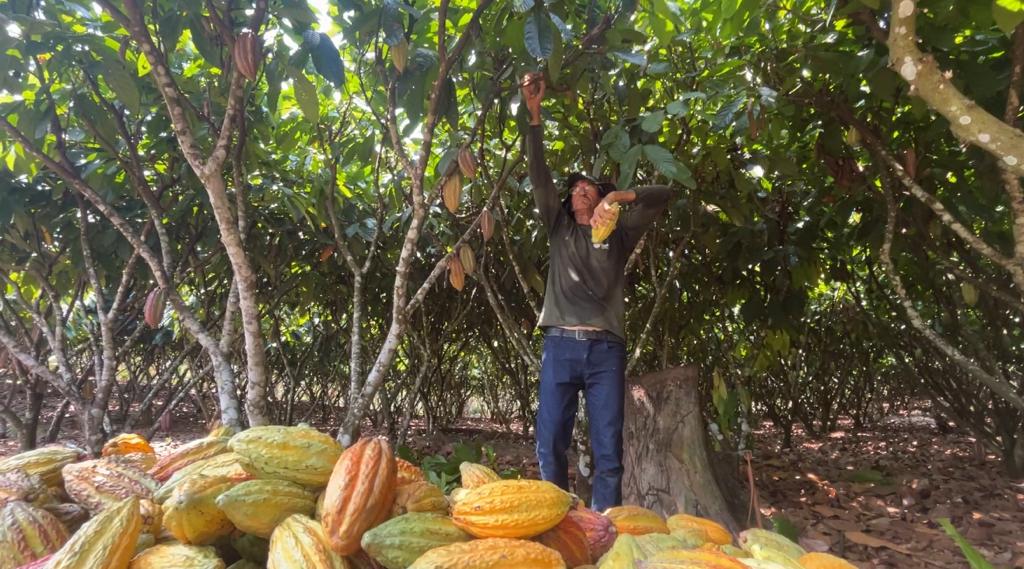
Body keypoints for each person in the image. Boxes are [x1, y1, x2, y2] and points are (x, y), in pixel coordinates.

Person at [520, 72, 674, 512]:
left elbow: (663, 194)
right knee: (550, 441)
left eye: (588, 188)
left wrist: (621, 197)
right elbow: (538, 176)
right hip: (561, 344)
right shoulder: (559, 228)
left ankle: (606, 530)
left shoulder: (619, 234)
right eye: (575, 191)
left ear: (600, 197)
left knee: (609, 451)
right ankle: (557, 519)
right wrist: (534, 115)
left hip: (606, 350)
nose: (579, 192)